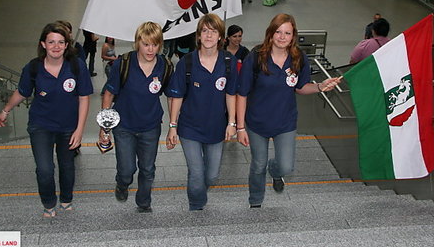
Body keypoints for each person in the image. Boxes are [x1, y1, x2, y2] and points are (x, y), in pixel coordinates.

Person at [236, 14, 341, 208]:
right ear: (271, 33)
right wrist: (240, 127)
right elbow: (242, 94)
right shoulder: (256, 56)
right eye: (278, 32)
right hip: (257, 122)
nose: (282, 37)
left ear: (293, 36)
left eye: (287, 33)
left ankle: (275, 173)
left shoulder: (298, 58)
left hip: (285, 122)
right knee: (258, 164)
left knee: (286, 166)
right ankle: (256, 201)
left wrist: (319, 86)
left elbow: (301, 87)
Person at [0, 22, 93, 218]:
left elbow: (84, 98)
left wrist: (79, 129)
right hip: (41, 125)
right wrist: (6, 110)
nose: (56, 46)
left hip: (68, 127)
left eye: (60, 42)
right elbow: (22, 92)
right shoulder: (33, 68)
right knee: (44, 169)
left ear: (66, 45)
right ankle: (49, 204)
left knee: (67, 166)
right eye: (51, 42)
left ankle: (66, 200)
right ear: (43, 44)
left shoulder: (76, 66)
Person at [165, 14, 238, 211]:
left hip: (216, 127)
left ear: (221, 37)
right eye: (204, 31)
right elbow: (177, 96)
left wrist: (232, 123)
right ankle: (196, 206)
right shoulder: (186, 63)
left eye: (213, 31)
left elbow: (231, 94)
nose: (208, 35)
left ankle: (198, 192)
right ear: (198, 36)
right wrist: (172, 126)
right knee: (196, 172)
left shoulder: (229, 62)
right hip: (190, 127)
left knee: (211, 175)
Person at [100, 22, 172, 213]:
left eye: (155, 44)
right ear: (137, 43)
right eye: (146, 44)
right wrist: (104, 127)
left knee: (148, 169)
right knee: (127, 169)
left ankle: (144, 201)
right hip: (124, 126)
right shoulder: (123, 63)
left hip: (151, 126)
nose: (150, 49)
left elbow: (172, 95)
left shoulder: (165, 65)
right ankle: (122, 184)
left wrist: (173, 125)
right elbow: (108, 94)